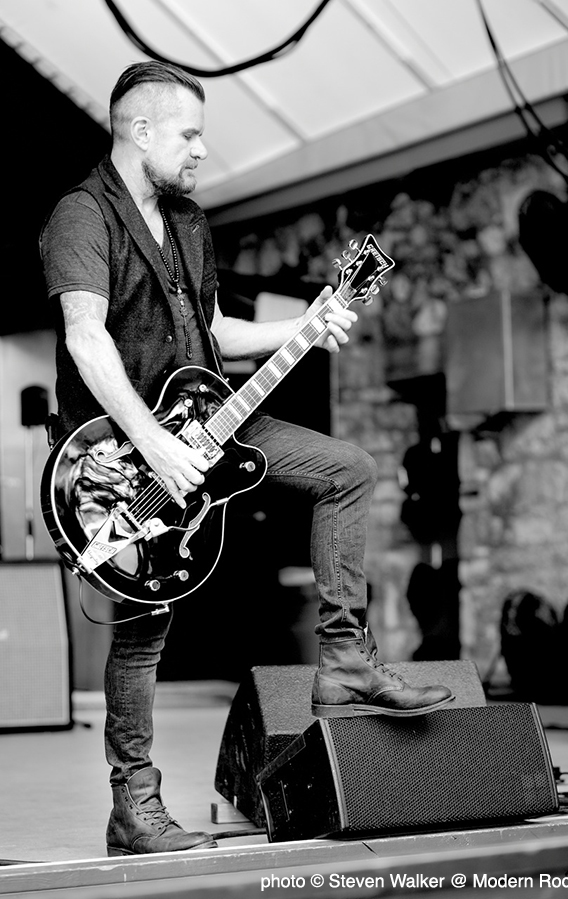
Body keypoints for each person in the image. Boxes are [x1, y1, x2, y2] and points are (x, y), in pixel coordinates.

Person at [40, 61, 453, 857]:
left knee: (350, 469)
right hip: (124, 453)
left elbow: (216, 330)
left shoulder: (190, 219)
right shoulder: (80, 217)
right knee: (145, 624)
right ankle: (135, 805)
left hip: (212, 417)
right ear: (142, 130)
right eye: (189, 133)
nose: (200, 149)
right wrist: (154, 442)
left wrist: (308, 323)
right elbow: (85, 339)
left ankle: (340, 659)